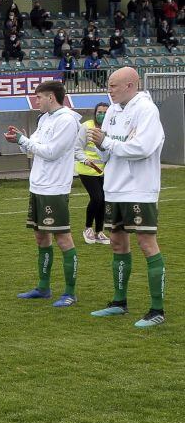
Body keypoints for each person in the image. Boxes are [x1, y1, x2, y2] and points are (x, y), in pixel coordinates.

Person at [88, 67, 167, 327]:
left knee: (146, 243)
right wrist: (99, 145)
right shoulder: (112, 111)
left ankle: (157, 309)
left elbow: (143, 148)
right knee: (117, 243)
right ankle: (119, 302)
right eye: (109, 85)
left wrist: (108, 143)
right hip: (114, 188)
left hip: (140, 188)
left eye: (113, 85)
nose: (109, 90)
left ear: (131, 85)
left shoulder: (147, 110)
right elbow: (108, 153)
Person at [5, 80, 85, 307]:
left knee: (62, 237)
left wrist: (24, 140)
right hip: (38, 185)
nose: (35, 101)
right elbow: (34, 148)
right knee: (41, 236)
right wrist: (21, 140)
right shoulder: (45, 119)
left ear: (51, 97)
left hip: (55, 187)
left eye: (38, 97)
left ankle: (70, 292)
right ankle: (43, 287)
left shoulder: (68, 121)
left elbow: (50, 153)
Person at [77, 103, 110, 245]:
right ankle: (88, 228)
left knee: (103, 200)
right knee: (96, 198)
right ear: (95, 113)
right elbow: (76, 147)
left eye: (105, 112)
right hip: (87, 170)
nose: (101, 115)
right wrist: (85, 160)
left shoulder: (110, 127)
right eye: (99, 112)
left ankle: (99, 231)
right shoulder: (87, 126)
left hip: (105, 171)